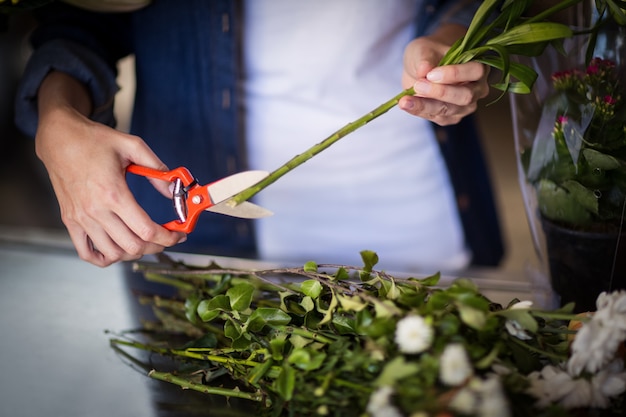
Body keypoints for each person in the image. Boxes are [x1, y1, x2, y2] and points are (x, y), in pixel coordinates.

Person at [14, 0, 503, 271]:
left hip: (415, 219)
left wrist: (452, 40)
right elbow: (77, 23)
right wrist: (58, 120)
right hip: (211, 247)